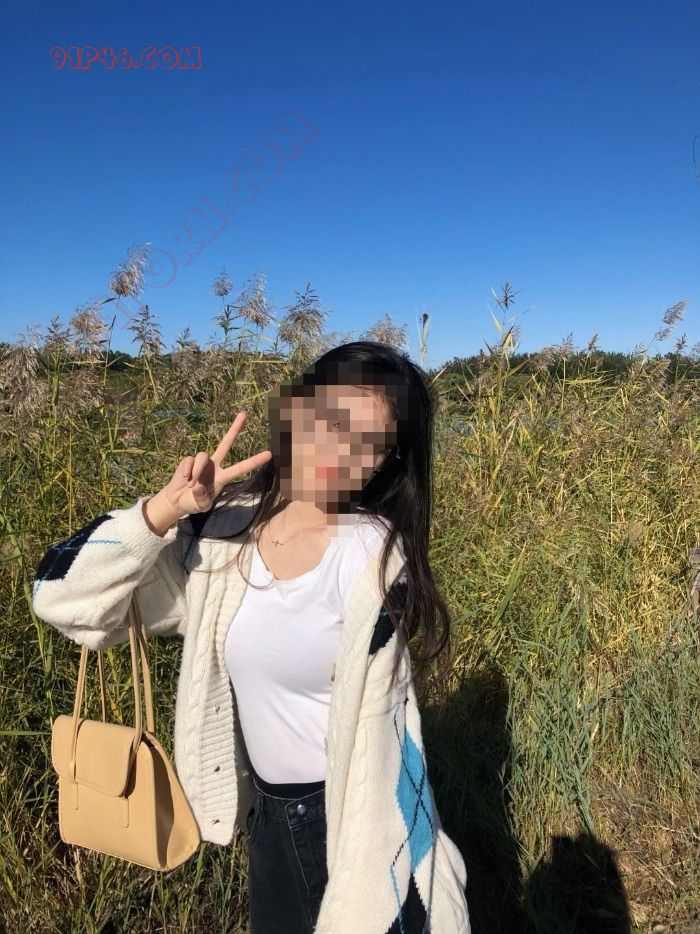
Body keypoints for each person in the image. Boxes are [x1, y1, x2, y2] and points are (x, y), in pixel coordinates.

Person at [32, 340, 471, 933]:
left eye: (368, 441)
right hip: (266, 817)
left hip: (344, 813)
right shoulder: (223, 533)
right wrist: (162, 512)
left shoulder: (372, 559)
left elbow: (389, 739)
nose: (338, 451)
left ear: (385, 463)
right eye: (329, 419)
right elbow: (61, 597)